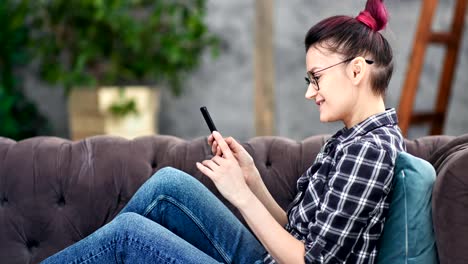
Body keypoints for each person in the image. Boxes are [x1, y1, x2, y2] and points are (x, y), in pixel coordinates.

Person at [41, 0, 405, 263]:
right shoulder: (352, 140)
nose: (310, 92)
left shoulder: (369, 151)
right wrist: (251, 180)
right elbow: (296, 232)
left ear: (357, 71)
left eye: (317, 78)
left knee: (128, 236)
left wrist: (240, 197)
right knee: (169, 184)